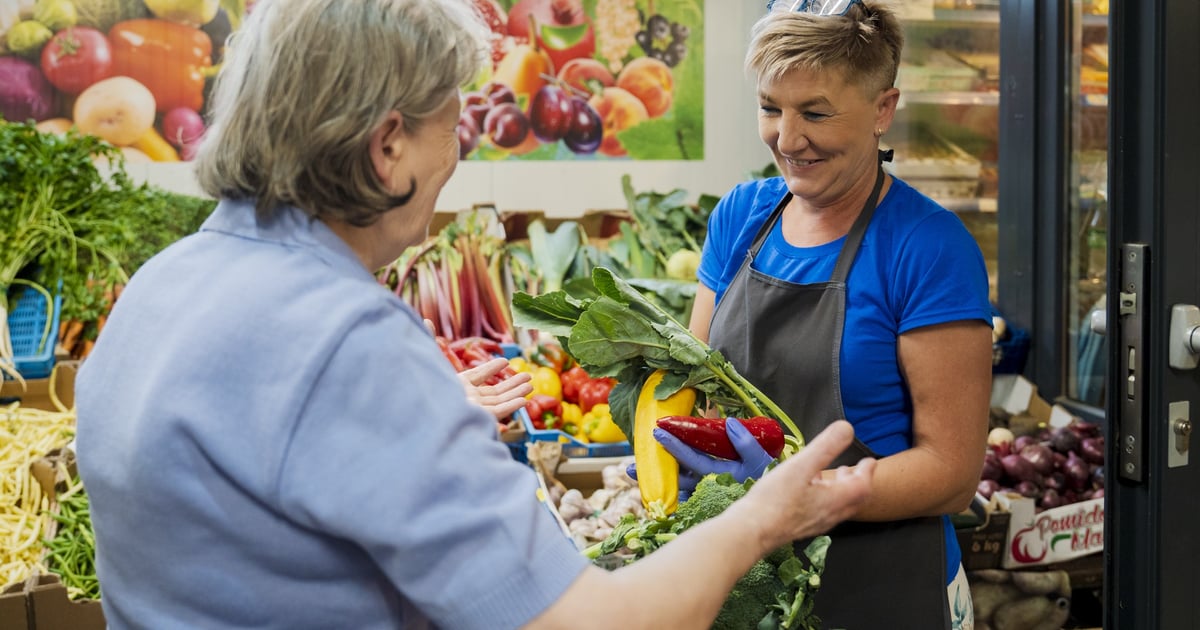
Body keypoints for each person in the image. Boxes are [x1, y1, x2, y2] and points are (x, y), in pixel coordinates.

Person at [72, 1, 878, 628]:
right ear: (388, 147)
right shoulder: (345, 339)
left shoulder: (163, 284)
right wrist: (764, 520)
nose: (455, 159)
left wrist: (410, 429)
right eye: (451, 127)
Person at [653, 1, 994, 628]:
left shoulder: (927, 247)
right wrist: (668, 447)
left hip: (887, 585)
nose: (787, 138)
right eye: (770, 108)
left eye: (815, 112)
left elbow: (951, 472)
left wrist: (810, 499)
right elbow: (696, 384)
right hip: (755, 576)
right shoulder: (742, 218)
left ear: (883, 110)